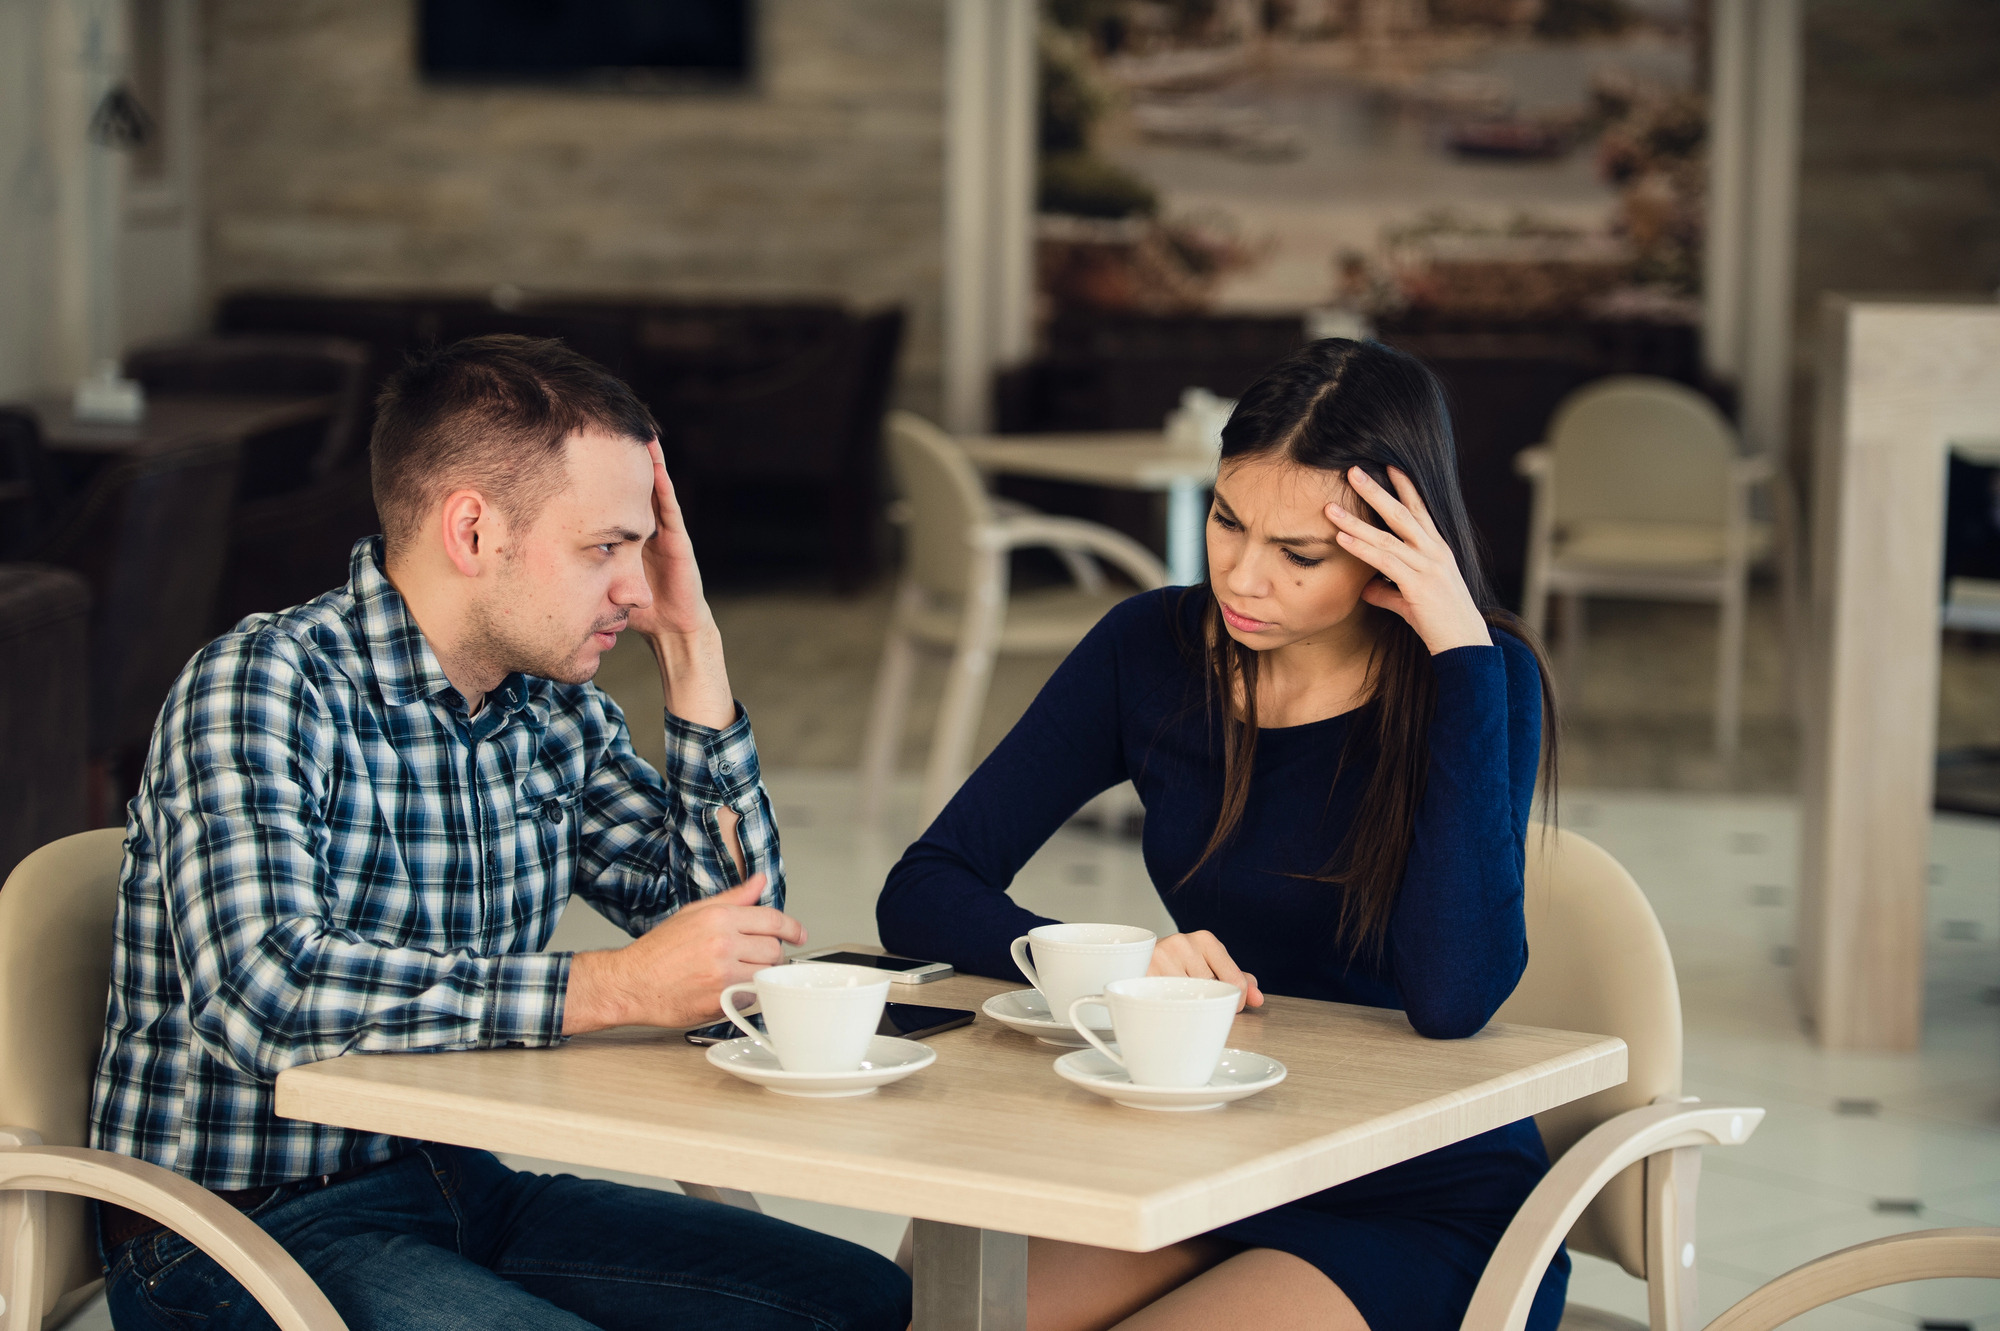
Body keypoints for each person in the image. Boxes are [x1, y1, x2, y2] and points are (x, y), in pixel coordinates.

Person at [90, 335, 910, 1331]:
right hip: (232, 1230)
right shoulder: (263, 684)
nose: (630, 586)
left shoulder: (547, 707)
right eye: (604, 547)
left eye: (638, 549)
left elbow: (732, 944)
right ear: (473, 532)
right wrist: (612, 984)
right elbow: (266, 996)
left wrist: (694, 649)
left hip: (454, 1183)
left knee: (860, 1300)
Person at [877, 338, 1564, 1331]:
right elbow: (926, 886)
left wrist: (1457, 649)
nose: (1242, 578)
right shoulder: (1147, 648)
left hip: (1417, 1191)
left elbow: (1454, 998)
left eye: (1298, 554)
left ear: (1390, 544)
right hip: (1211, 1146)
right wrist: (1115, 963)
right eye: (1225, 521)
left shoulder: (1473, 676)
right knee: (944, 1312)